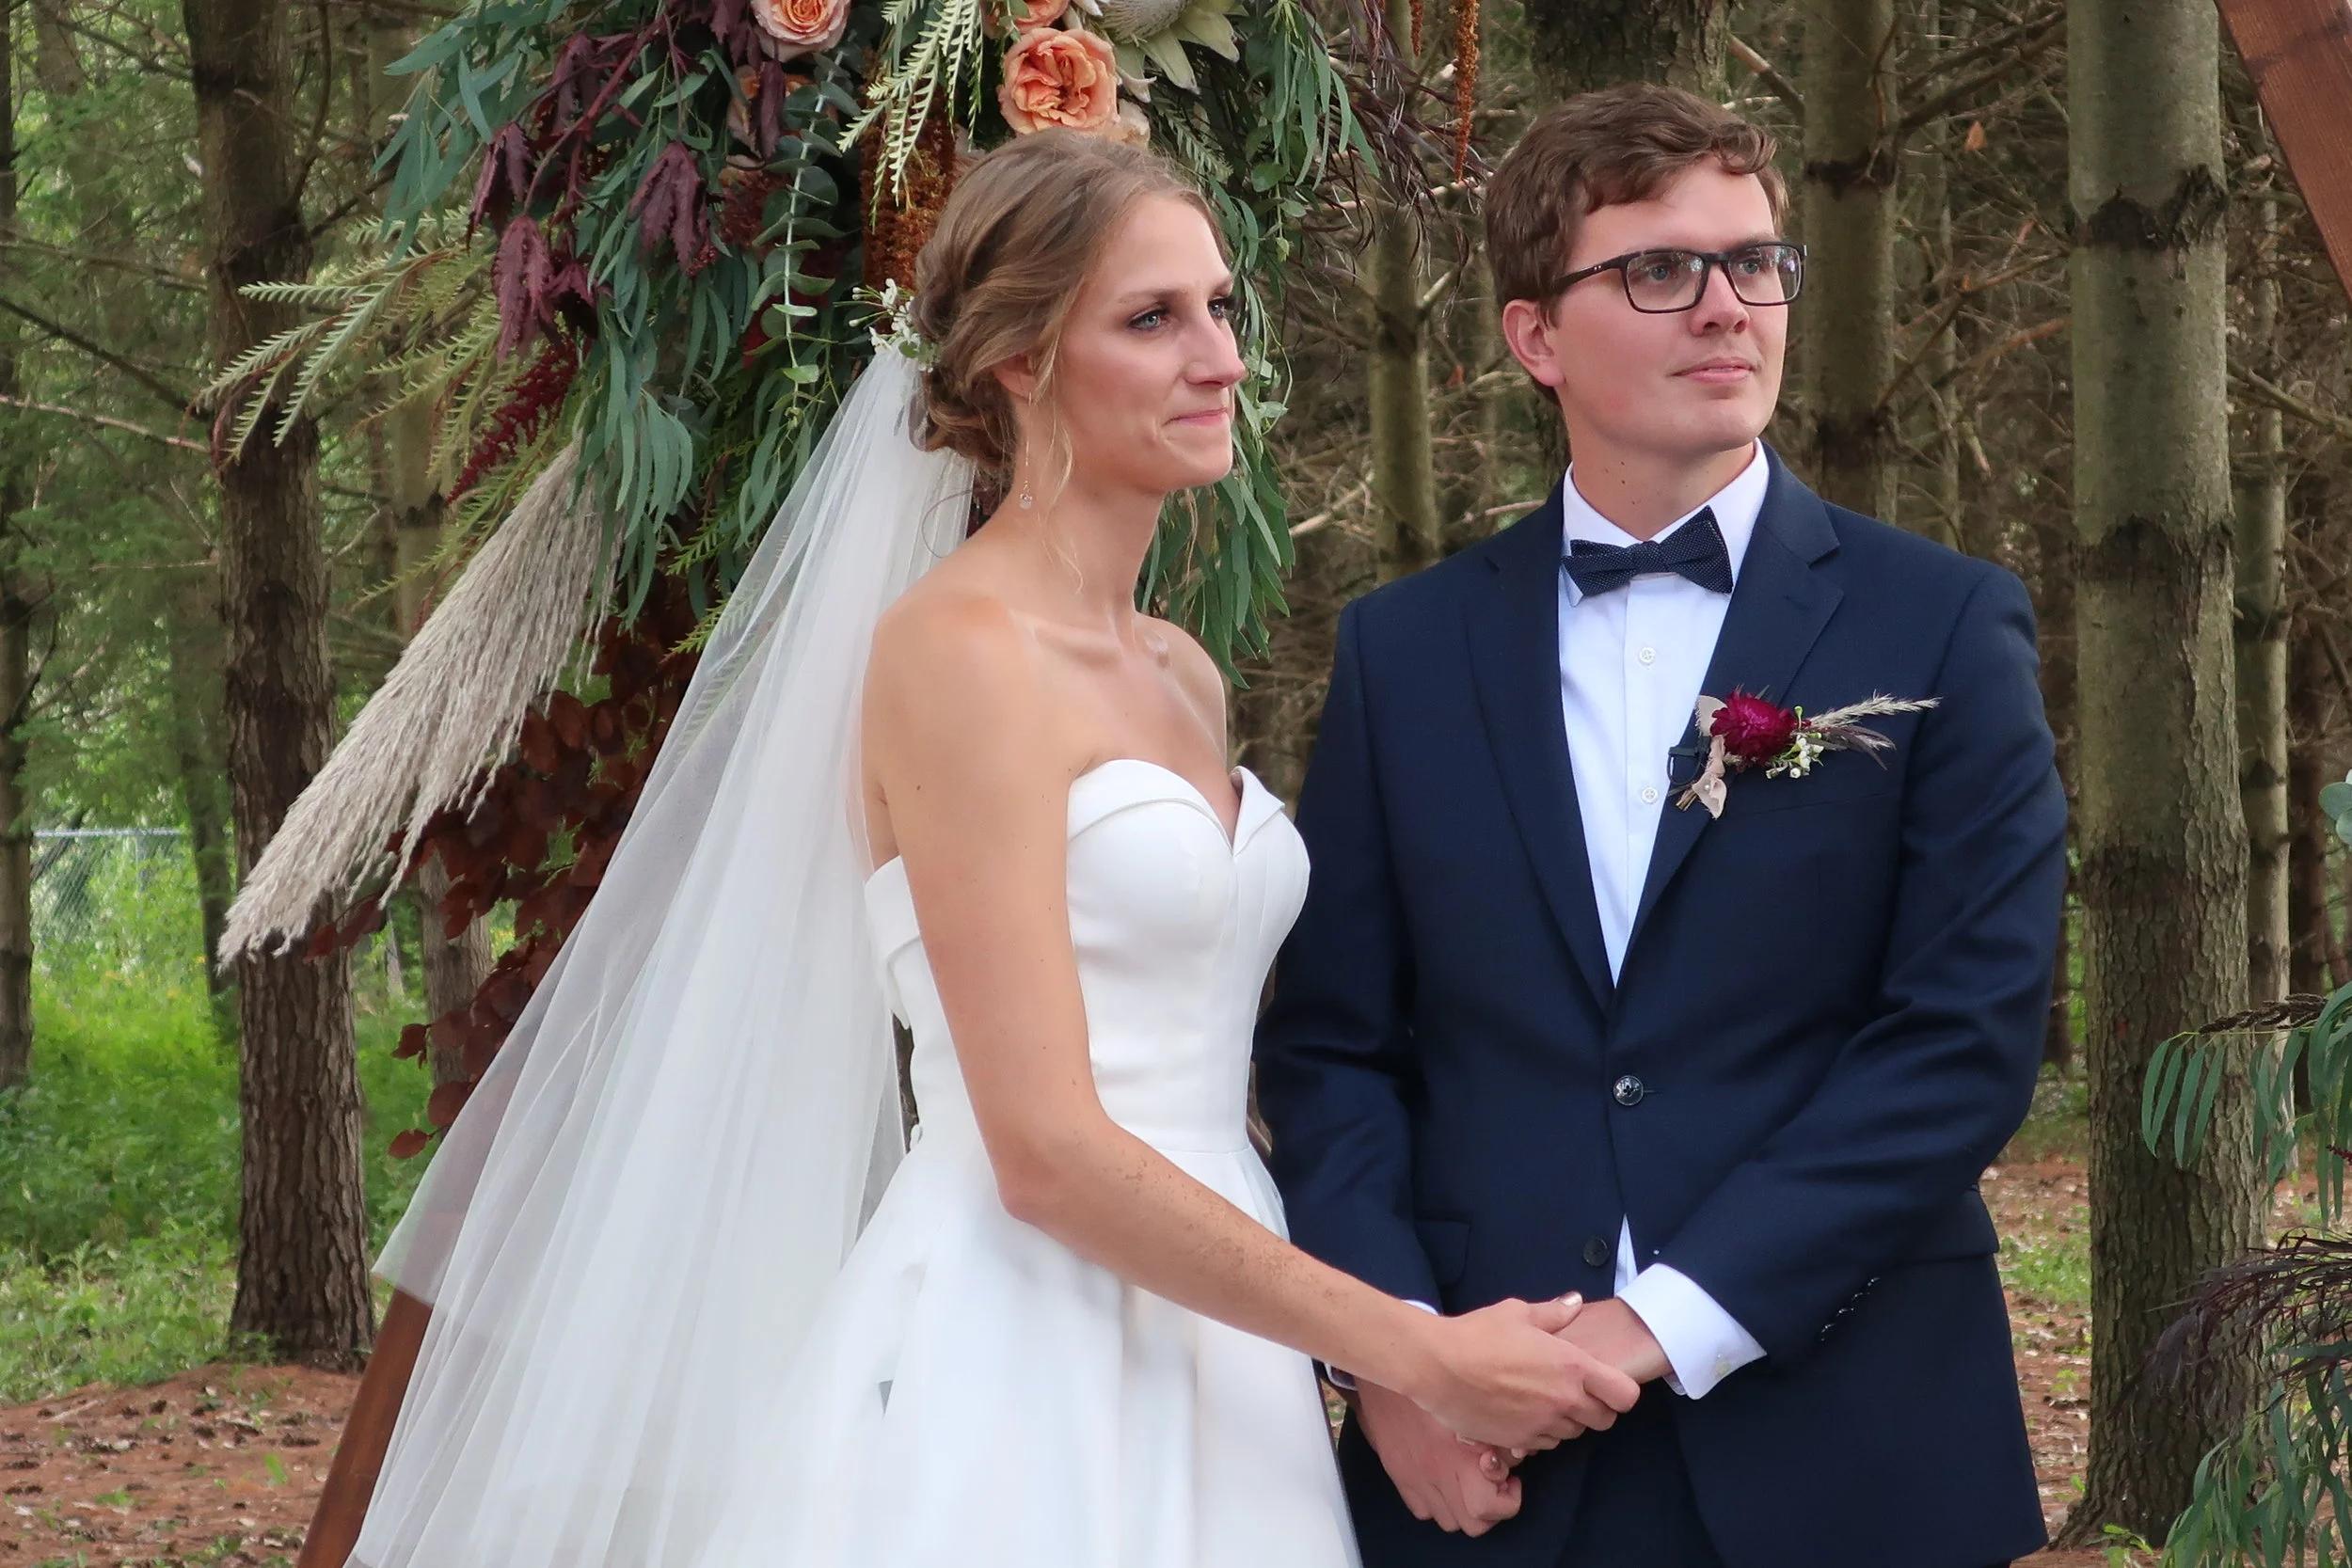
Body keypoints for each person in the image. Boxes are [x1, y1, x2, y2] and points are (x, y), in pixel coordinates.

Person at [334, 130, 1637, 1568]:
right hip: (1021, 1330)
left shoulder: (1181, 672)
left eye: (1222, 309)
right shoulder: (958, 653)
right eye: (1152, 318)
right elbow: (1046, 1148)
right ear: (1020, 358)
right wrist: (1413, 1345)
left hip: (1221, 1336)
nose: (1218, 358)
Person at [1256, 84, 2067, 1568]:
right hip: (1482, 1461)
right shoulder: (1403, 652)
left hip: (1849, 1440)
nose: (1726, 307)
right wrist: (1394, 1364)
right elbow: (1333, 1051)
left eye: (1754, 262)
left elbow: (1961, 1040)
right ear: (1534, 337)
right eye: (1659, 271)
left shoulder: (1943, 624)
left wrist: (1657, 1325)